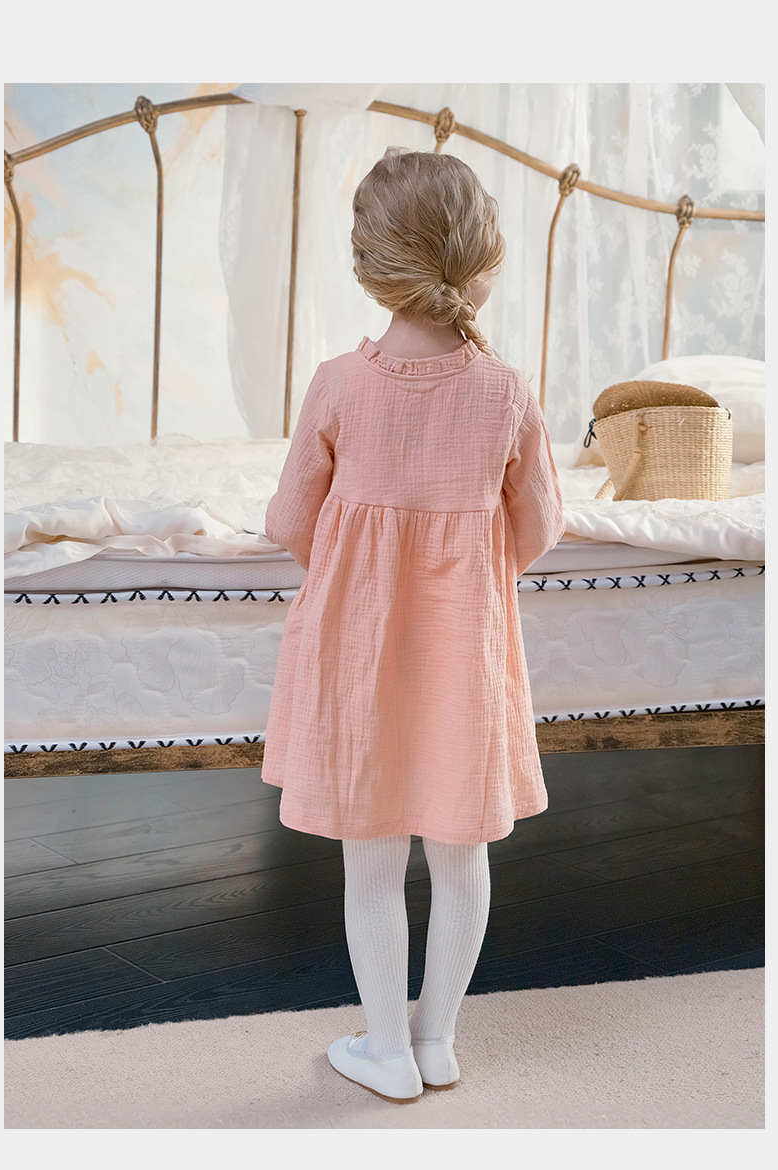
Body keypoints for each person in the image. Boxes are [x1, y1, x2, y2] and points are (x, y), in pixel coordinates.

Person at [261, 147, 564, 1104]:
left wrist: (358, 578)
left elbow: (288, 520)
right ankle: (438, 1041)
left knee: (374, 861)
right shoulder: (506, 391)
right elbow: (540, 529)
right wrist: (466, 580)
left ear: (369, 263)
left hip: (358, 661)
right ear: (484, 261)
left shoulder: (337, 384)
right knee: (463, 858)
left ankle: (385, 1049)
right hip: (464, 660)